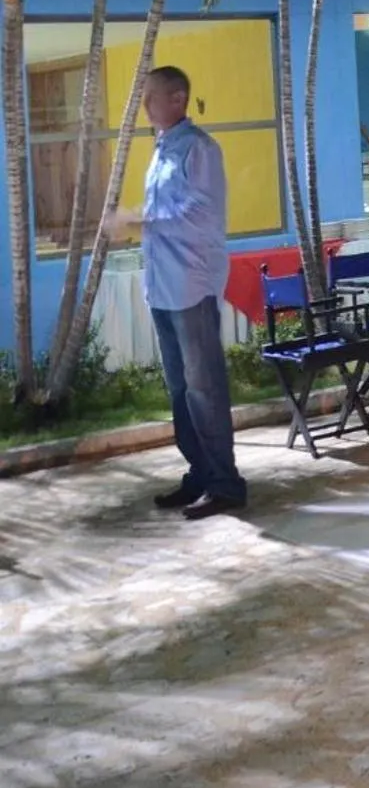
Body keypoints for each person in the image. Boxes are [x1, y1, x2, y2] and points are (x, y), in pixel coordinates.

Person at [114, 65, 245, 520]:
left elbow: (200, 218)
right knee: (180, 390)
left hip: (192, 285)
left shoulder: (199, 150)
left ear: (177, 99)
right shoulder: (162, 148)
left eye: (150, 96)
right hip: (163, 287)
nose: (143, 104)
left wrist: (140, 221)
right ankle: (201, 475)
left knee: (204, 387)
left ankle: (226, 483)